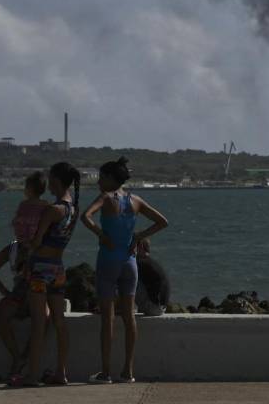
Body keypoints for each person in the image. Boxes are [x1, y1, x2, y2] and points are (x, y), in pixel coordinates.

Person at [81, 156, 169, 384]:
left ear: (111, 178)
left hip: (108, 260)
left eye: (101, 177)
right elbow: (162, 222)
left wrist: (101, 235)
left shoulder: (106, 197)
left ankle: (106, 373)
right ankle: (128, 372)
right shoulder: (135, 200)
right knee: (129, 317)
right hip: (129, 263)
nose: (99, 182)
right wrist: (138, 236)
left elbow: (85, 216)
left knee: (108, 319)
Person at [11, 161, 81, 387]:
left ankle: (32, 375)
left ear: (57, 181)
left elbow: (36, 241)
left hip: (40, 268)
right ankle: (61, 372)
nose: (48, 183)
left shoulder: (53, 210)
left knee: (39, 323)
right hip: (58, 268)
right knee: (59, 321)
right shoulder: (73, 208)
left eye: (51, 178)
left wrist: (24, 245)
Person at [0, 172, 48, 382]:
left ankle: (19, 358)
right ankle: (21, 357)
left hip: (24, 290)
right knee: (43, 320)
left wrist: (4, 291)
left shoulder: (14, 247)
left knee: (4, 317)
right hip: (27, 290)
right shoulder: (46, 210)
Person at [134, 239, 171, 316]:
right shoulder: (151, 262)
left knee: (126, 280)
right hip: (161, 308)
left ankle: (122, 308)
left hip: (153, 308)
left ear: (140, 246)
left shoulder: (140, 262)